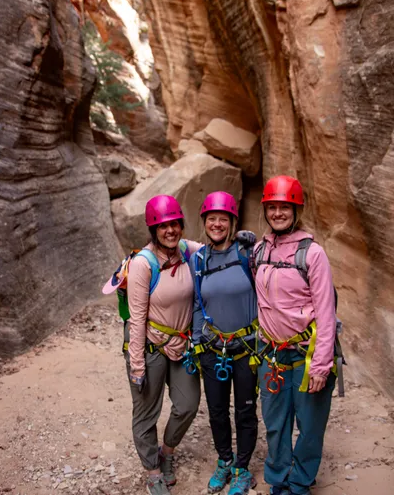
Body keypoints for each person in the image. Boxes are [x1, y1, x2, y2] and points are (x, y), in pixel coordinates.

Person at [254, 176, 337, 495]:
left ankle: (300, 482)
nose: (277, 213)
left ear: (296, 209)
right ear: (266, 210)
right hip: (271, 353)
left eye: (284, 207)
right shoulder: (260, 250)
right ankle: (277, 480)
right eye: (272, 207)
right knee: (275, 423)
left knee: (310, 425)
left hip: (305, 352)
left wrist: (321, 365)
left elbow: (326, 311)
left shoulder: (313, 253)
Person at [125, 195, 202, 495]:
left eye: (174, 224)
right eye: (163, 226)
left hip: (181, 346)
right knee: (147, 412)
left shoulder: (186, 249)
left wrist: (246, 246)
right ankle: (153, 470)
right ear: (153, 230)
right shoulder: (143, 264)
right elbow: (136, 319)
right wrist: (137, 365)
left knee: (188, 405)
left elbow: (217, 251)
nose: (170, 230)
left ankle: (166, 452)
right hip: (150, 347)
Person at [190, 191, 259, 495]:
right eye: (211, 218)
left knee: (244, 410)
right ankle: (224, 461)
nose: (216, 224)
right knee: (217, 410)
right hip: (212, 349)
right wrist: (195, 341)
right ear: (204, 222)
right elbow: (195, 303)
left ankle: (242, 469)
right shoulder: (199, 259)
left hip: (245, 348)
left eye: (223, 219)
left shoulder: (247, 254)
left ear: (232, 222)